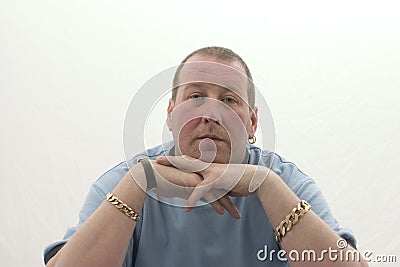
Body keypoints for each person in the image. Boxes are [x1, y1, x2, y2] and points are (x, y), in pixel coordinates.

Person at [44, 46, 368, 267]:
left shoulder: (287, 182)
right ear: (170, 114)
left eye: (228, 100)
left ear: (252, 123)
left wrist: (266, 185)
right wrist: (137, 185)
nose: (212, 114)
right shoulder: (123, 182)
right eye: (196, 96)